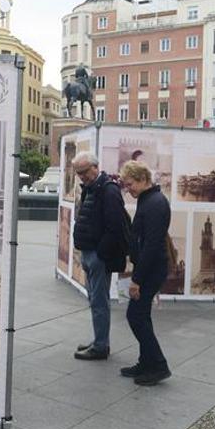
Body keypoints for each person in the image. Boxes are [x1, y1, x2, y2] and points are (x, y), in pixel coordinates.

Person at [118, 160, 172, 386]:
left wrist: (136, 280)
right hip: (150, 267)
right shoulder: (148, 199)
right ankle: (146, 361)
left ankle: (158, 365)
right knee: (141, 315)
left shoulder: (155, 203)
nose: (127, 189)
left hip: (151, 270)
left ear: (142, 180)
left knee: (136, 316)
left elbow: (150, 245)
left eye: (129, 184)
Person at [71, 151, 127, 361]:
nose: (81, 176)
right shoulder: (92, 188)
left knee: (99, 302)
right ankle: (98, 340)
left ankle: (101, 346)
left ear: (95, 167)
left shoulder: (108, 190)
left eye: (84, 171)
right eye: (78, 173)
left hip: (97, 255)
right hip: (89, 253)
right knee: (95, 300)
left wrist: (100, 255)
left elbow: (115, 227)